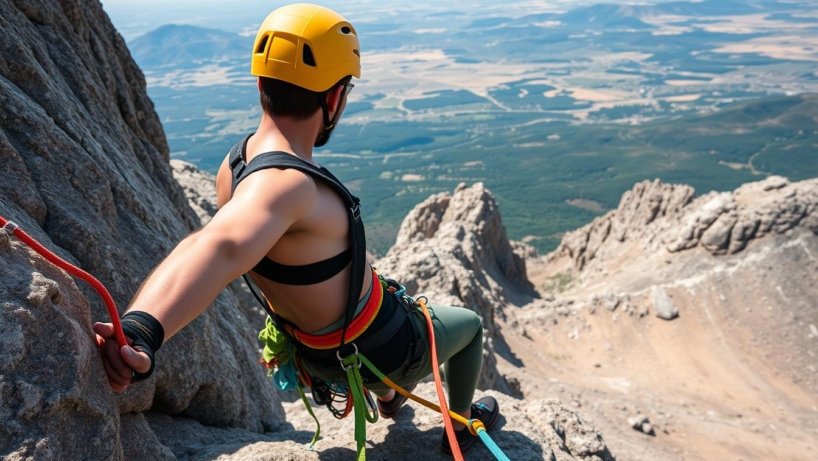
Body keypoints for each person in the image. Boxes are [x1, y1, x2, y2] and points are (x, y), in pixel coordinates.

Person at [93, 3, 499, 454]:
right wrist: (141, 329)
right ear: (334, 98)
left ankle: (387, 399)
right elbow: (220, 245)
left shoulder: (235, 165)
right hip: (380, 347)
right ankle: (458, 428)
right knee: (471, 326)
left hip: (314, 355)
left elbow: (228, 239)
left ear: (262, 83)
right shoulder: (287, 186)